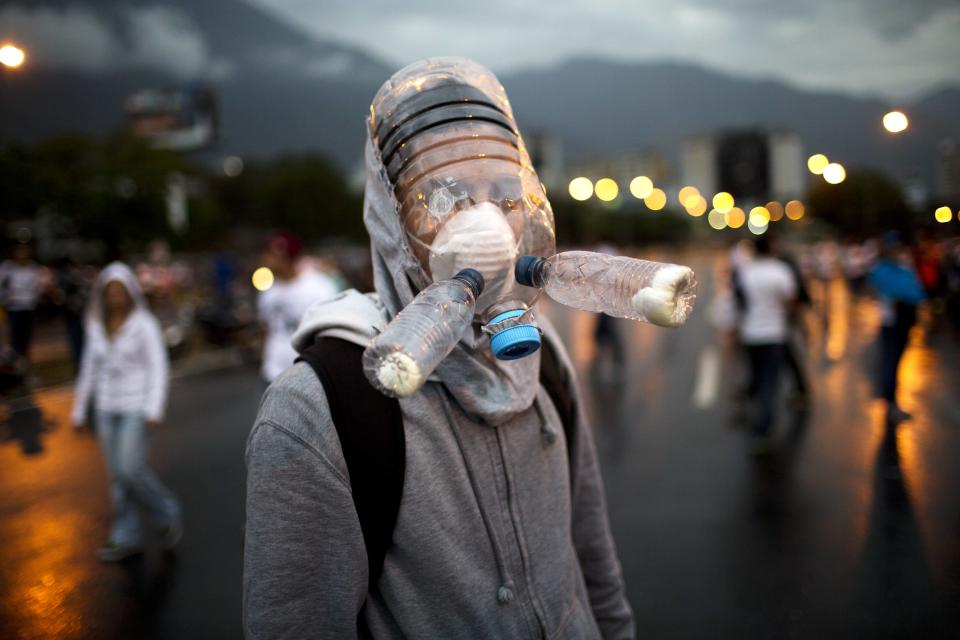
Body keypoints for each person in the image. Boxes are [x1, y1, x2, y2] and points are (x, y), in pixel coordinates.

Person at [244, 58, 634, 639]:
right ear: (390, 218)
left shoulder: (541, 353)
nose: (486, 225)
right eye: (444, 196)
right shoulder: (316, 412)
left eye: (502, 193)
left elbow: (593, 559)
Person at [71, 262, 181, 562]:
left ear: (131, 292)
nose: (116, 297)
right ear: (103, 295)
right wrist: (80, 410)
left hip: (136, 407)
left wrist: (154, 408)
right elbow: (89, 369)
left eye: (121, 291)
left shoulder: (144, 324)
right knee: (117, 477)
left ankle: (166, 511)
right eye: (111, 292)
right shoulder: (95, 326)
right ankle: (126, 534)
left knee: (130, 469)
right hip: (106, 409)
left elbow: (158, 367)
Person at [736, 236, 796, 452]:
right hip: (773, 334)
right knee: (770, 383)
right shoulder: (780, 271)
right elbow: (790, 302)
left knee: (757, 375)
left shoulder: (746, 272)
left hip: (751, 333)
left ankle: (744, 397)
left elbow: (739, 302)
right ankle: (761, 431)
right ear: (771, 247)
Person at [256, 232, 338, 384]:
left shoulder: (319, 286)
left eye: (271, 254)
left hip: (309, 372)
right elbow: (266, 328)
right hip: (273, 372)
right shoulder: (268, 290)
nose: (266, 258)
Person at [869, 232, 925, 424]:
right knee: (890, 362)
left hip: (903, 321)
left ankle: (890, 399)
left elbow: (916, 291)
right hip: (892, 322)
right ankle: (889, 401)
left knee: (894, 361)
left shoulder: (902, 267)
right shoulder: (883, 269)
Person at [0, 243, 44, 371]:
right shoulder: (7, 268)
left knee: (26, 338)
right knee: (14, 338)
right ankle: (14, 367)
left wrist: (35, 299)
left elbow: (38, 287)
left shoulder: (32, 268)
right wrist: (6, 298)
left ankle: (23, 366)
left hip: (28, 307)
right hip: (13, 308)